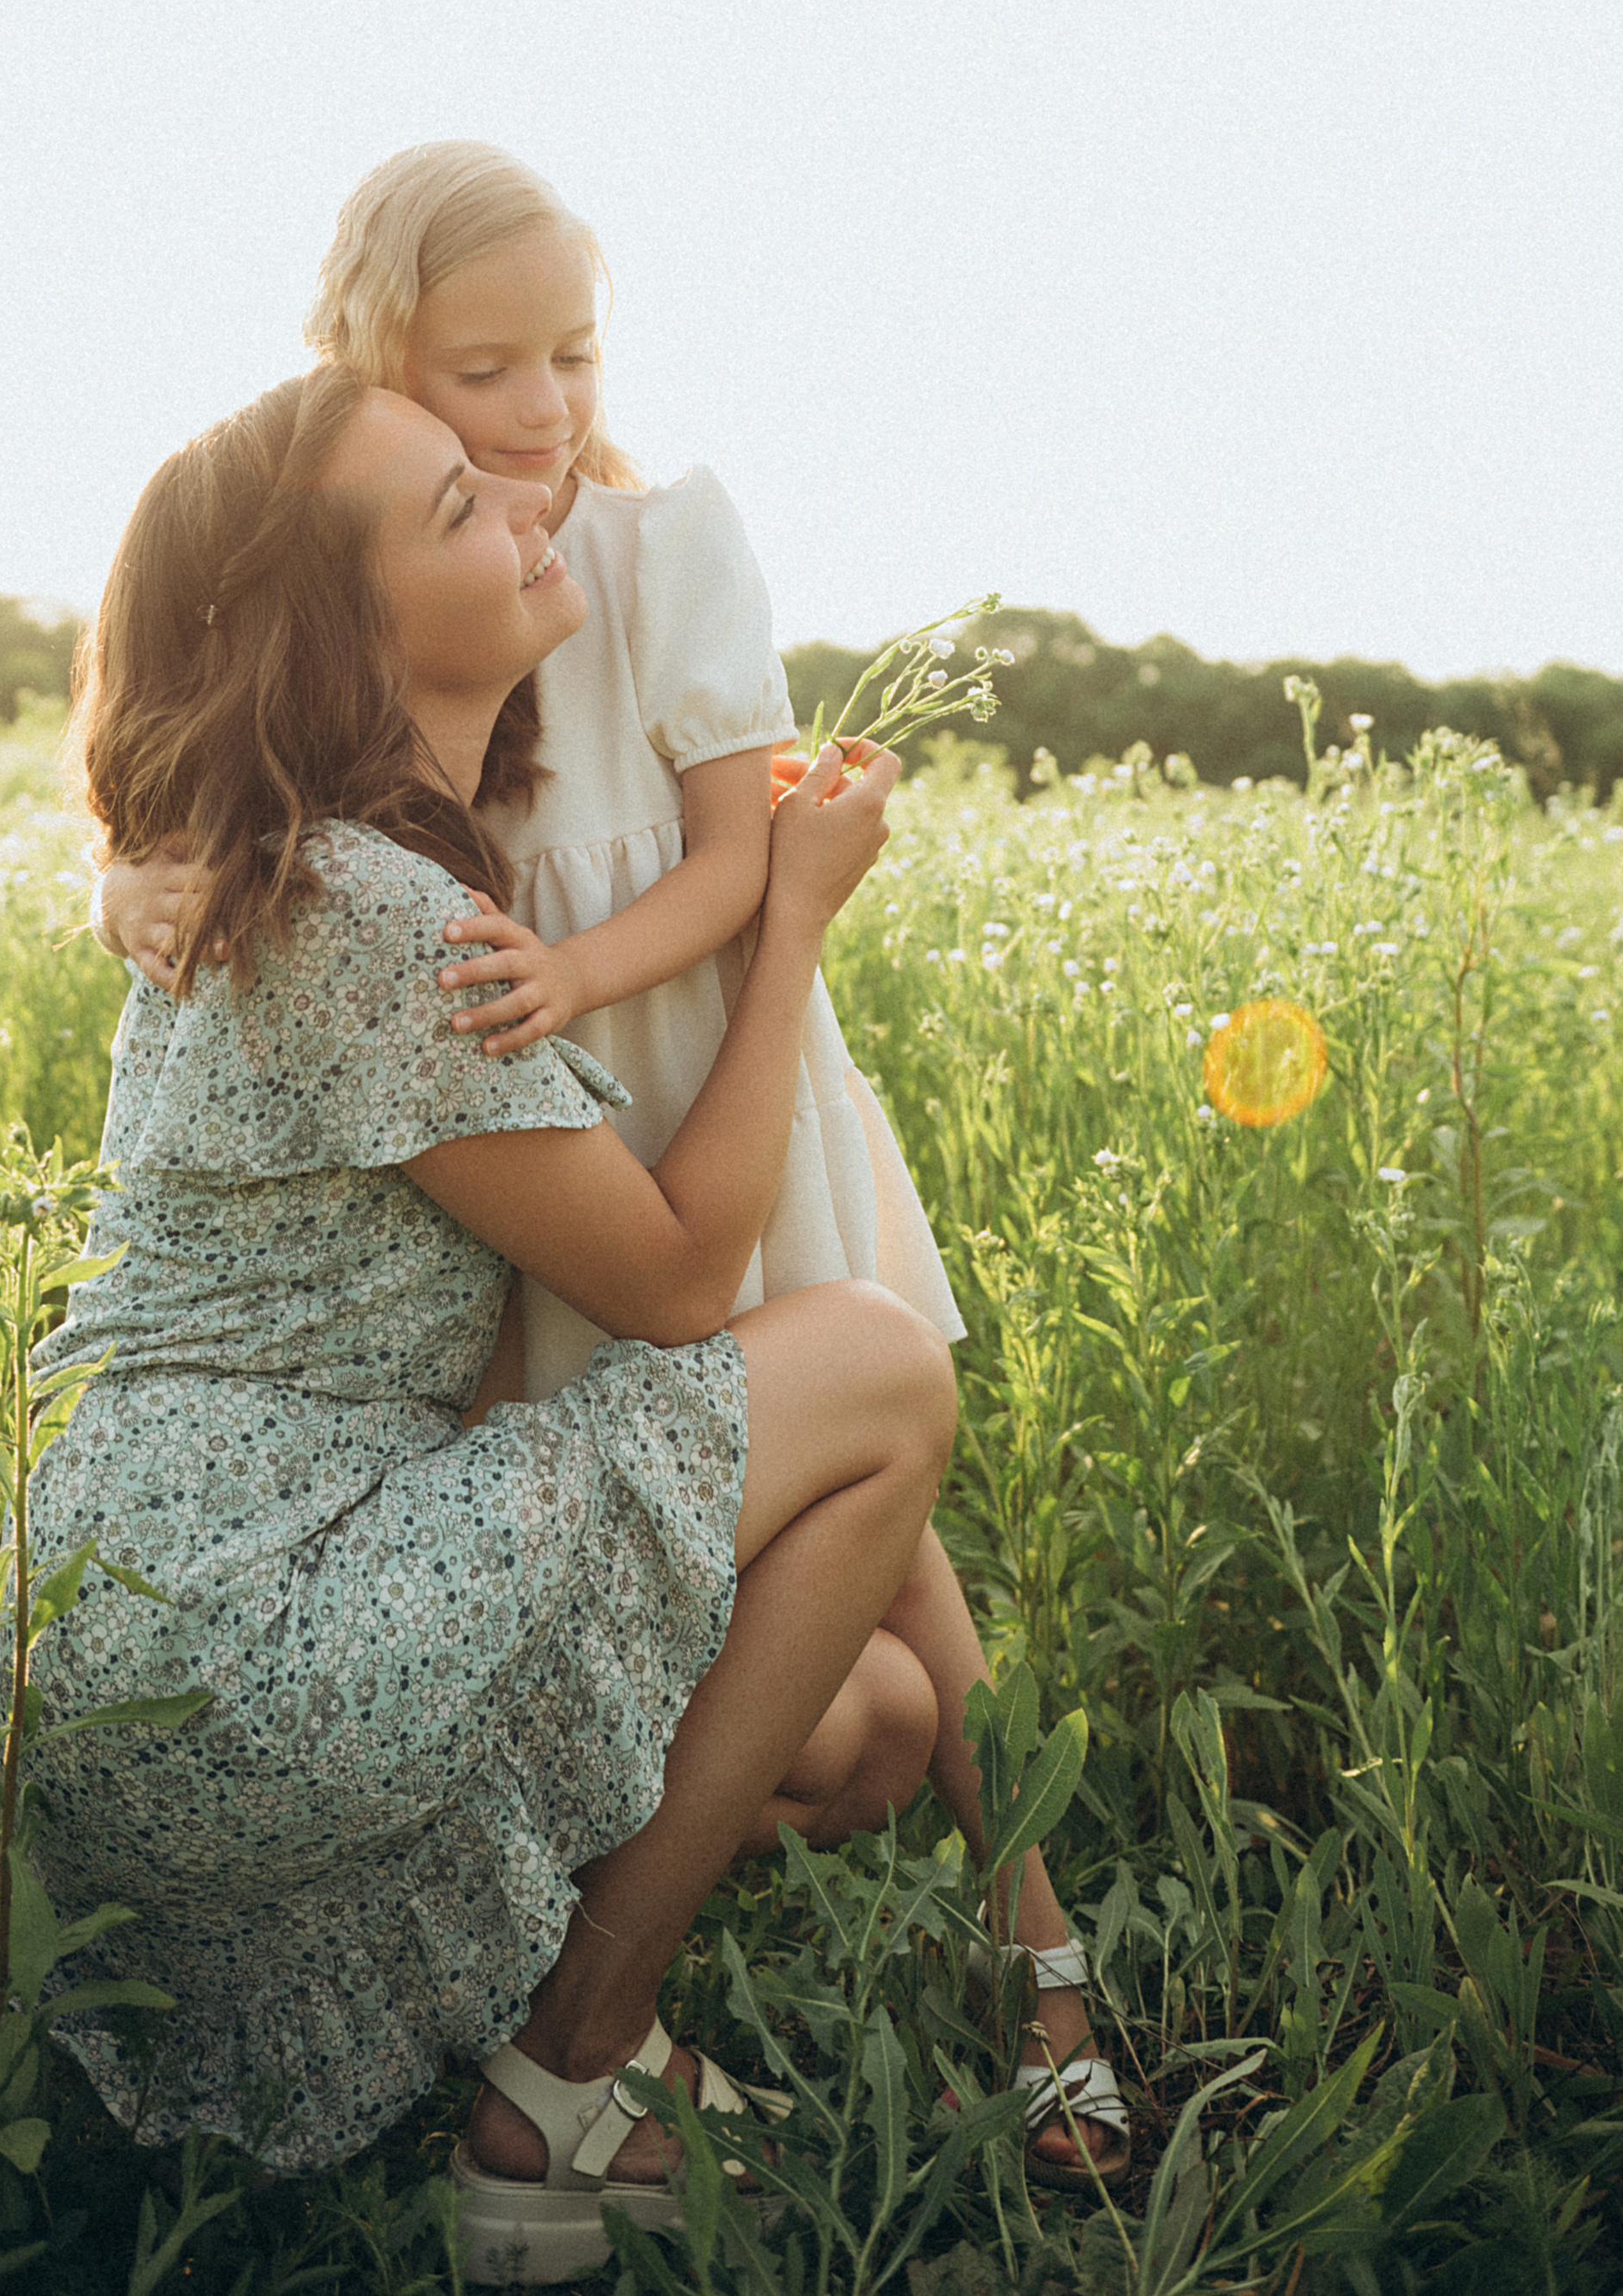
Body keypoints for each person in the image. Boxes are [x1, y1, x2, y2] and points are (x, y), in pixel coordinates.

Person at [98, 147, 1129, 2188]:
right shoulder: (363, 617)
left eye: (571, 356)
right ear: (377, 373)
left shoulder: (633, 548)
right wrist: (125, 870)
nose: (539, 418)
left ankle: (1047, 1981)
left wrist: (593, 965)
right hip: (520, 1136)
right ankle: (564, 2029)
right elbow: (232, 768)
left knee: (884, 1559)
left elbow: (738, 853)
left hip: (668, 1061)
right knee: (776, 1576)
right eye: (480, 379)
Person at [2, 362, 957, 2281]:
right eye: (458, 503)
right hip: (249, 1623)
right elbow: (677, 1279)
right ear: (342, 635)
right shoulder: (363, 912)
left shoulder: (291, 873)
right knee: (874, 1365)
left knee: (869, 1724)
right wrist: (786, 922)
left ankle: (483, 1983)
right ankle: (569, 2068)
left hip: (149, 1630)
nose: (533, 496)